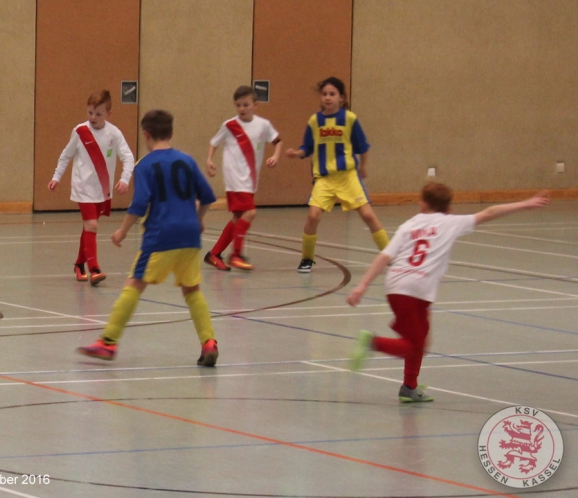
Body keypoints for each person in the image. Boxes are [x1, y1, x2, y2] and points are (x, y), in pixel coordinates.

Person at [347, 184, 550, 402]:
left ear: (423, 203)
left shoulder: (409, 225)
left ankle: (409, 387)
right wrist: (525, 204)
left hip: (396, 286)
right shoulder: (452, 222)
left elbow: (385, 256)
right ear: (449, 208)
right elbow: (489, 212)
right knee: (415, 346)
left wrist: (362, 285)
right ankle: (372, 343)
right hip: (416, 289)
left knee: (420, 338)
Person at [77, 109, 220, 366]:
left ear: (146, 135)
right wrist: (198, 219)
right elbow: (208, 196)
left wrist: (122, 231)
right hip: (189, 236)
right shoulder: (187, 160)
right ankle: (209, 342)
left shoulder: (145, 165)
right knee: (192, 290)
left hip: (160, 236)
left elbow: (140, 203)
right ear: (171, 133)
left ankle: (108, 341)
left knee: (134, 284)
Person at [285, 77, 389, 274]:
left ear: (341, 97)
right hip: (324, 178)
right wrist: (296, 153)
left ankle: (389, 255)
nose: (328, 97)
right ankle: (307, 259)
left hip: (348, 176)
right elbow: (307, 147)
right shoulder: (314, 121)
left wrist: (363, 167)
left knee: (368, 215)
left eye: (332, 94)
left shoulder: (350, 119)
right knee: (313, 216)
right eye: (324, 94)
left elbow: (362, 147)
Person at [49, 90, 135, 285]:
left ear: (108, 114)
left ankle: (79, 264)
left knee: (89, 227)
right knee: (92, 225)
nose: (93, 117)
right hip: (83, 187)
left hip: (102, 189)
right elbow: (66, 155)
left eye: (98, 114)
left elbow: (128, 157)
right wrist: (56, 177)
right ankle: (94, 269)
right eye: (90, 113)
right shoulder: (80, 131)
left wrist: (124, 179)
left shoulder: (114, 133)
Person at [204, 84, 282, 271]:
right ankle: (236, 255)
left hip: (250, 179)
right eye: (238, 105)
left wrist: (276, 156)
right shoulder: (229, 125)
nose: (242, 109)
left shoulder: (263, 125)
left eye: (246, 105)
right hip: (235, 178)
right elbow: (214, 142)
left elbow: (277, 141)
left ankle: (214, 254)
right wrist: (209, 160)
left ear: (255, 105)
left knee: (238, 218)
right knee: (250, 213)